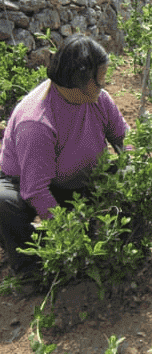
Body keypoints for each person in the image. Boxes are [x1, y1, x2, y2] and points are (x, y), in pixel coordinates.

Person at [0, 35, 129, 276]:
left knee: (129, 173)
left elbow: (124, 140)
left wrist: (133, 167)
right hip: (31, 184)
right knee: (3, 202)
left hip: (81, 180)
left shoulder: (98, 98)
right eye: (99, 78)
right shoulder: (37, 122)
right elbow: (35, 190)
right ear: (78, 81)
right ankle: (31, 269)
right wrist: (69, 238)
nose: (104, 84)